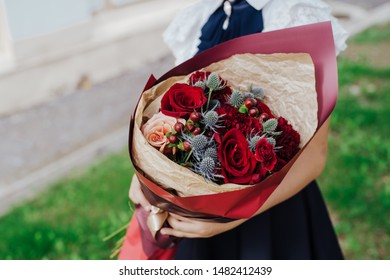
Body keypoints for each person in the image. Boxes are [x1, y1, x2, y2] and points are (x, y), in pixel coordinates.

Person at [129, 0, 349, 259]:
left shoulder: (295, 14)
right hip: (192, 213)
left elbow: (314, 156)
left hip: (272, 214)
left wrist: (232, 218)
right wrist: (147, 178)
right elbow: (173, 110)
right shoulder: (201, 15)